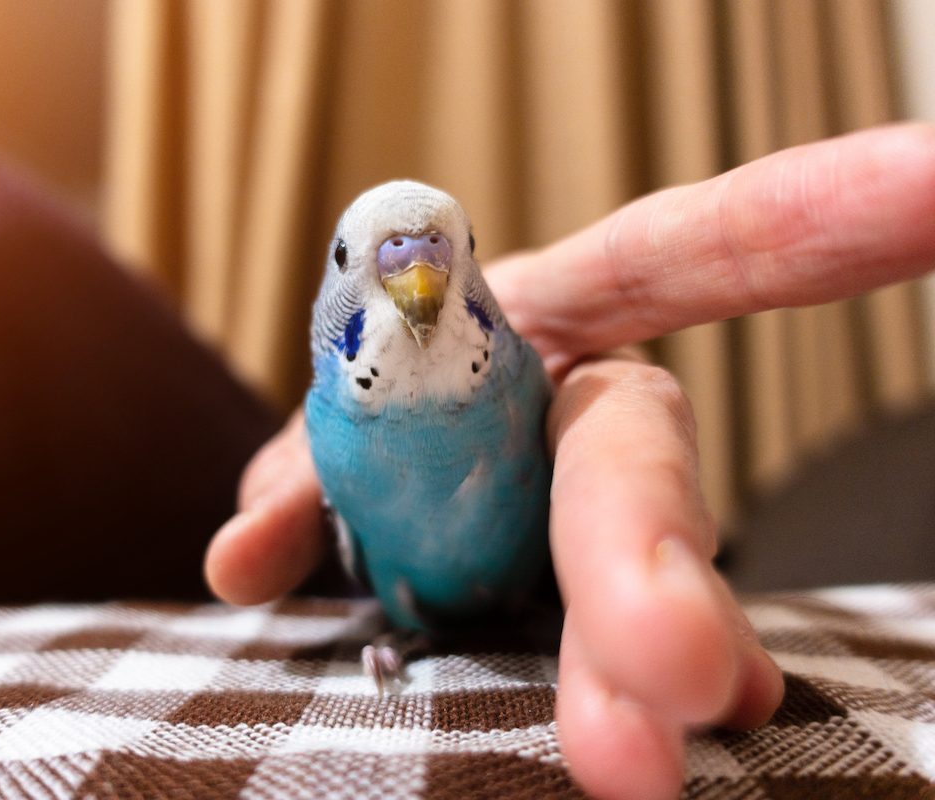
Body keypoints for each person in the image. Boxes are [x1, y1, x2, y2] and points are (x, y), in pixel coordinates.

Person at [204, 123, 935, 800]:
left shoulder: (530, 380)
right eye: (356, 259)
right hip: (413, 616)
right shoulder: (326, 438)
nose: (417, 274)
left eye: (454, 250)